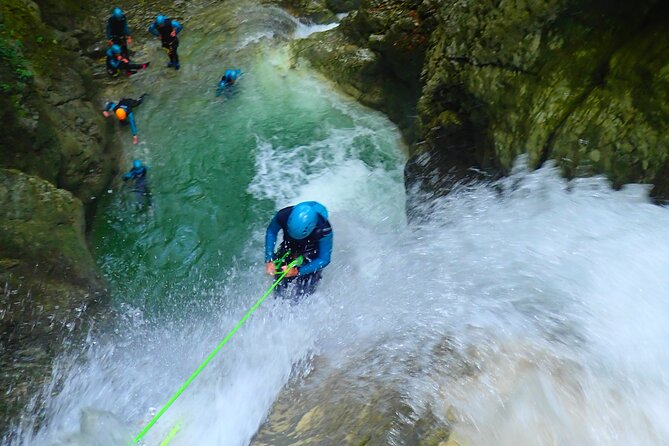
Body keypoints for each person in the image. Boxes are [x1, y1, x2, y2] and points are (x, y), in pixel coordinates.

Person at [265, 201, 333, 298]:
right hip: (289, 246)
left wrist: (298, 271)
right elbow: (272, 231)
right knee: (280, 285)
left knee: (303, 294)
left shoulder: (324, 230)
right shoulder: (283, 215)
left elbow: (324, 259)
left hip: (311, 253)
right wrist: (269, 259)